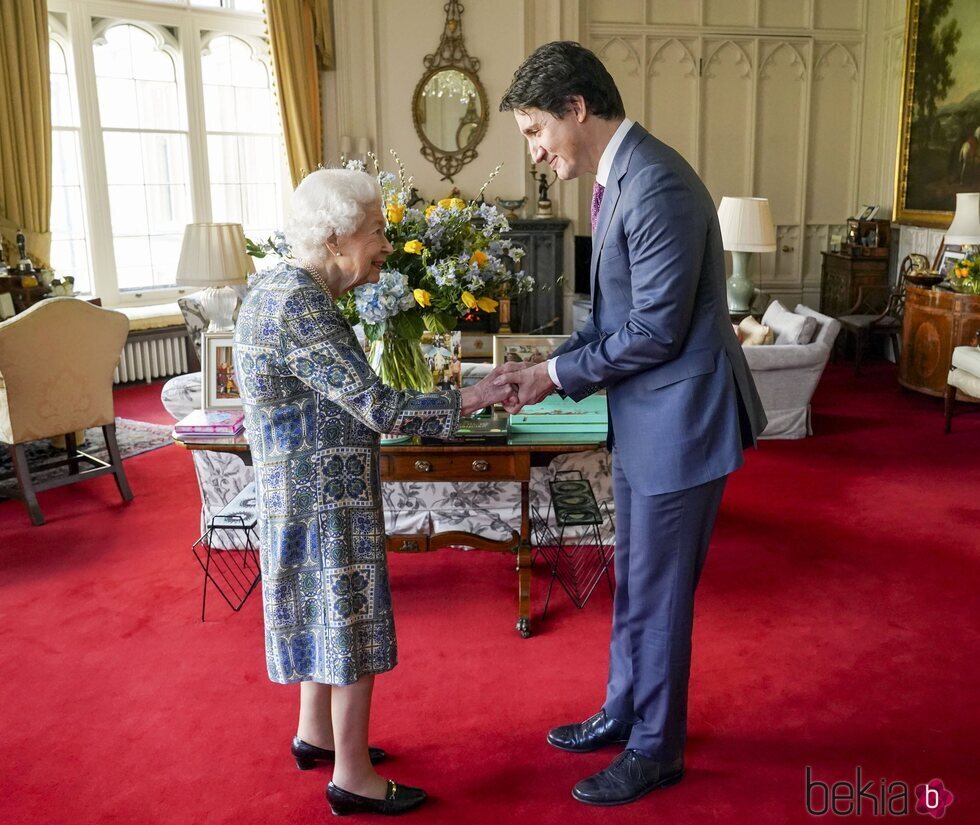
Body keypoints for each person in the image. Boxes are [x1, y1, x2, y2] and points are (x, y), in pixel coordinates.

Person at [498, 42, 767, 807]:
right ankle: (624, 709)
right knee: (635, 584)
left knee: (658, 592)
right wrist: (542, 366)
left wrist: (552, 376)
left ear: (577, 109)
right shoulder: (620, 177)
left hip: (682, 423)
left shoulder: (655, 186)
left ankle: (657, 746)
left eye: (533, 130)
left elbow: (653, 331)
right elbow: (611, 317)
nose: (535, 150)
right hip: (649, 420)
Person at [233, 168, 515, 817]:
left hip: (298, 489)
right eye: (376, 231)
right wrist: (470, 396)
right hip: (324, 498)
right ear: (335, 238)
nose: (385, 244)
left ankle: (316, 735)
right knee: (349, 623)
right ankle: (352, 776)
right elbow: (379, 408)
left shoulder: (281, 288)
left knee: (322, 614)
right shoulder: (300, 303)